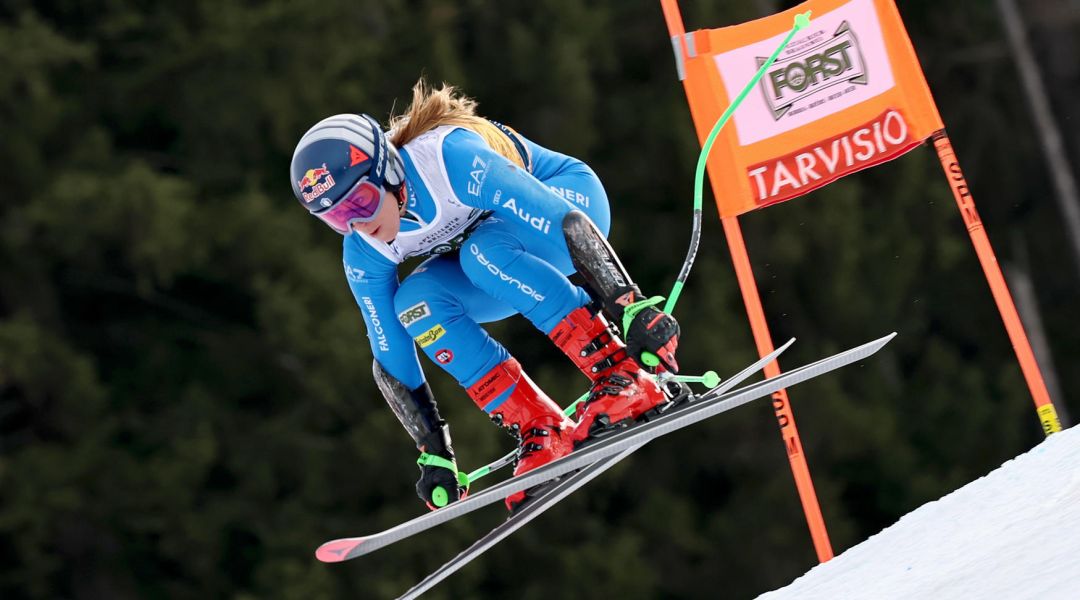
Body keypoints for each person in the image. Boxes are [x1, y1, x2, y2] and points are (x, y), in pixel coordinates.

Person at [289, 79, 680, 511]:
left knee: (481, 252)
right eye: (337, 217)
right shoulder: (364, 250)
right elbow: (388, 348)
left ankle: (620, 374)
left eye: (360, 202)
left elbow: (558, 217)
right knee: (413, 305)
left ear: (389, 171)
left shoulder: (447, 159)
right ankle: (539, 425)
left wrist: (631, 306)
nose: (357, 224)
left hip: (568, 207)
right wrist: (432, 448)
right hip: (504, 260)